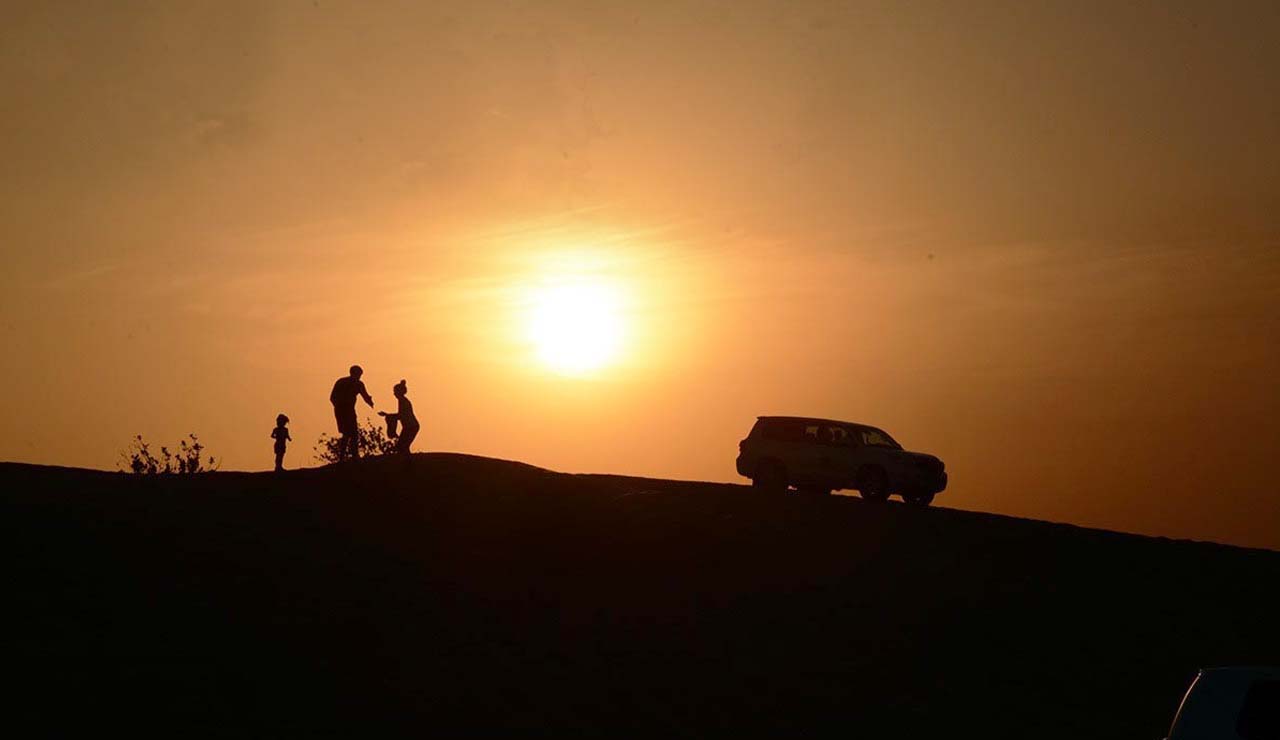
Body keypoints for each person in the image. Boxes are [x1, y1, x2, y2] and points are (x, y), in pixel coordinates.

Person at [330, 365, 373, 460]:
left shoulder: (357, 384)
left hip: (346, 410)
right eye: (358, 374)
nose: (359, 377)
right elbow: (332, 397)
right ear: (353, 373)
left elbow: (366, 397)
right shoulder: (343, 382)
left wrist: (372, 404)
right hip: (342, 410)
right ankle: (347, 456)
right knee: (348, 433)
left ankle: (351, 455)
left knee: (351, 433)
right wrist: (339, 407)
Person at [377, 379, 419, 455]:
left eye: (395, 391)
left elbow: (401, 415)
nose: (394, 393)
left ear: (399, 392)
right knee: (403, 447)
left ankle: (408, 463)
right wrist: (387, 415)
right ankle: (408, 462)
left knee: (402, 446)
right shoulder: (402, 400)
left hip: (411, 427)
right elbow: (401, 415)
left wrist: (388, 415)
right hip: (409, 427)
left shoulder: (404, 401)